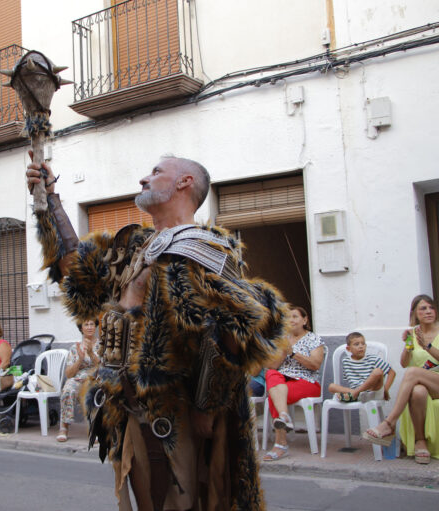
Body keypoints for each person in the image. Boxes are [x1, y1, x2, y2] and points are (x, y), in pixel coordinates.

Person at [26, 153, 285, 510]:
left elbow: (234, 327)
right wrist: (49, 199)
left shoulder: (201, 247)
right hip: (129, 406)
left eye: (156, 172)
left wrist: (207, 406)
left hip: (174, 412)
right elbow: (78, 269)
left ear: (185, 183)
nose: (144, 180)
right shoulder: (138, 248)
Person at [363, 294, 439, 464]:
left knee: (413, 372)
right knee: (418, 392)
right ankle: (420, 441)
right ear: (415, 313)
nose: (429, 311)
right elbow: (404, 363)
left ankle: (389, 422)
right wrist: (408, 346)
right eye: (423, 308)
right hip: (422, 382)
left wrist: (427, 346)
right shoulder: (413, 332)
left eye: (431, 308)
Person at [262, 305, 325, 461]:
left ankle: (280, 445)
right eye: (288, 317)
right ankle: (284, 416)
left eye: (295, 316)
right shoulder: (283, 340)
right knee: (271, 374)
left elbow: (315, 364)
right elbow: (272, 366)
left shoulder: (313, 339)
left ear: (305, 320)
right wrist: (283, 352)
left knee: (274, 394)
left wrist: (293, 353)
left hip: (307, 382)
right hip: (283, 381)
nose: (291, 320)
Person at [57, 318, 99, 442]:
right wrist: (80, 359)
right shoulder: (75, 348)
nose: (90, 327)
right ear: (81, 328)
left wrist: (91, 353)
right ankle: (64, 428)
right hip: (77, 378)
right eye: (86, 324)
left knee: (93, 392)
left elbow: (102, 367)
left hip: (94, 378)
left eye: (92, 324)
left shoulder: (102, 345)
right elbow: (69, 374)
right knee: (67, 390)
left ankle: (94, 428)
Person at [328, 332, 396, 402]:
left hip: (373, 391)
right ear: (348, 349)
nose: (361, 346)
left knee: (377, 371)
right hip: (357, 392)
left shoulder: (373, 359)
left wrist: (385, 389)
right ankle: (355, 394)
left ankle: (353, 395)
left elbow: (392, 373)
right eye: (356, 344)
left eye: (363, 344)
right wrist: (356, 391)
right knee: (331, 386)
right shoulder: (346, 362)